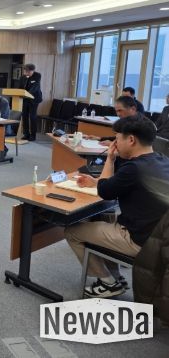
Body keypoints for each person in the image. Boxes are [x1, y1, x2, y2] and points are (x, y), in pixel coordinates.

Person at [64, 116, 169, 298]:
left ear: (131, 140)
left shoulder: (133, 168)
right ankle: (116, 277)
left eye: (117, 138)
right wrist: (96, 181)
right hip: (159, 238)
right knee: (106, 216)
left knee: (72, 232)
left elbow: (105, 191)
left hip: (140, 242)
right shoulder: (162, 160)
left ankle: (108, 282)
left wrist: (110, 159)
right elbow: (122, 185)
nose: (115, 143)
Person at [19, 63, 42, 141]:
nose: (27, 73)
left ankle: (33, 135)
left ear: (33, 70)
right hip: (25, 99)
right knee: (24, 116)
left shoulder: (37, 75)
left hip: (34, 99)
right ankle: (26, 134)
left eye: (29, 71)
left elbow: (35, 87)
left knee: (32, 117)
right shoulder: (22, 77)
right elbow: (20, 87)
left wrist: (28, 93)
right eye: (26, 71)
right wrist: (20, 93)